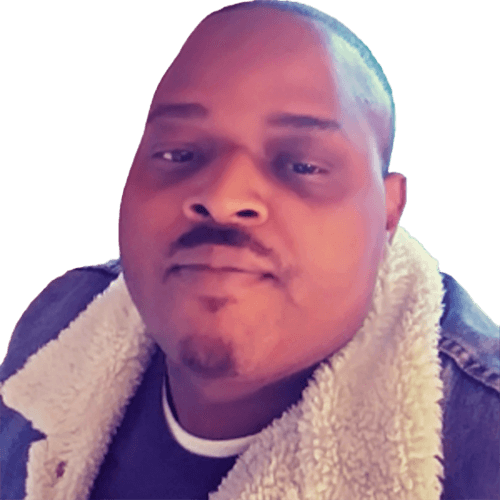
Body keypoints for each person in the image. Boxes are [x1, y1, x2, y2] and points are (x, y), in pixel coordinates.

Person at [1, 1, 498, 499]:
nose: (223, 197)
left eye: (302, 165)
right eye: (179, 153)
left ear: (388, 214)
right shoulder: (58, 323)